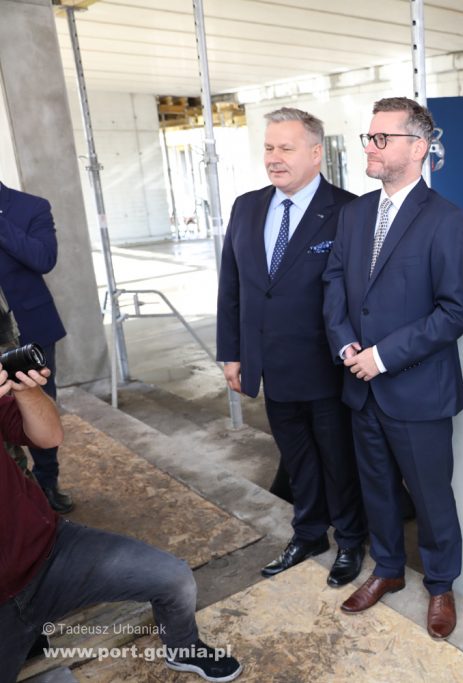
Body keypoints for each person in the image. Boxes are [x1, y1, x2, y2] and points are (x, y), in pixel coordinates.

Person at [323, 96, 463, 640]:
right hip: (359, 387)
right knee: (377, 488)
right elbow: (335, 286)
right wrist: (344, 345)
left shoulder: (448, 222)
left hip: (417, 390)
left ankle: (440, 584)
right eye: (368, 137)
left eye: (381, 138)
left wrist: (381, 357)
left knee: (431, 496)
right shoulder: (355, 214)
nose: (369, 146)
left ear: (417, 148)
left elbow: (455, 312)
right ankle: (387, 569)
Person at [0, 364, 241, 682]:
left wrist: (25, 388)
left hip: (47, 552)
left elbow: (49, 435)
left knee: (173, 578)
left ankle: (182, 647)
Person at [216, 107, 367, 587]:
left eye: (286, 148)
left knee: (337, 458)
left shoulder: (348, 211)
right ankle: (307, 533)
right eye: (268, 148)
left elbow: (358, 297)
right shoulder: (247, 206)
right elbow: (233, 286)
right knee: (296, 456)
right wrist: (232, 352)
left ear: (316, 153)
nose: (274, 158)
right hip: (270, 365)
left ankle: (349, 539)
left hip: (326, 365)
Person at [0, 181, 70, 513]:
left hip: (27, 330)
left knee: (39, 406)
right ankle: (14, 488)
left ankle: (47, 481)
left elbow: (43, 258)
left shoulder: (32, 206)